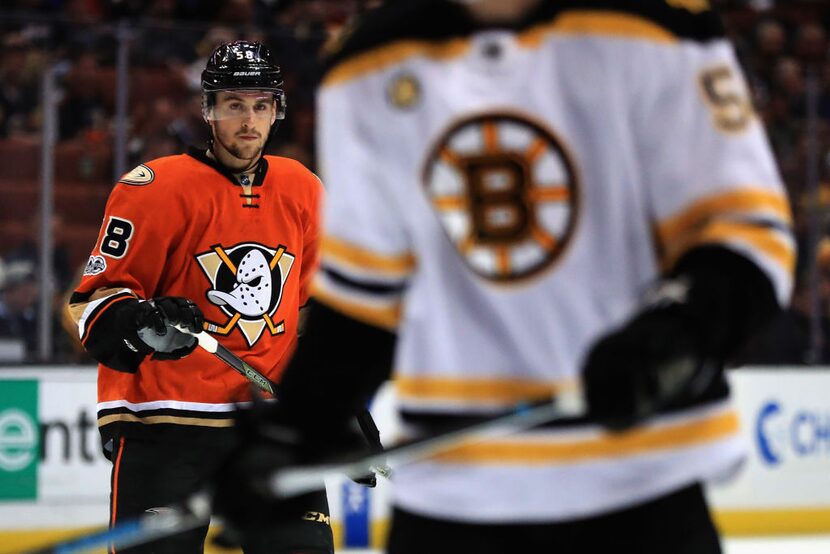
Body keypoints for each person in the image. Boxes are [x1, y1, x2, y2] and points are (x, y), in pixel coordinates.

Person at [215, 1, 796, 553]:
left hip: (643, 481)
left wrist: (679, 331)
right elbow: (366, 295)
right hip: (455, 496)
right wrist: (296, 426)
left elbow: (746, 232)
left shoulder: (655, 29)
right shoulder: (371, 62)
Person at [66, 41, 334, 554]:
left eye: (261, 105)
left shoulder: (302, 189)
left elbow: (308, 313)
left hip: (269, 426)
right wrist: (144, 322)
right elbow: (93, 303)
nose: (249, 120)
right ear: (208, 110)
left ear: (277, 111)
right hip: (168, 424)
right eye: (234, 105)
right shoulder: (154, 188)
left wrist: (332, 402)